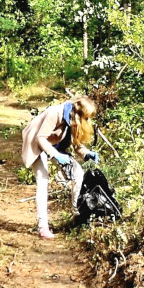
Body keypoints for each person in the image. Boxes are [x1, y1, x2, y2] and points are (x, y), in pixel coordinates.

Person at [21, 96, 99, 239]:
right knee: (43, 180)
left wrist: (87, 154)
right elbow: (41, 138)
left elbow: (77, 144)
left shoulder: (75, 119)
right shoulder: (55, 112)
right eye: (87, 117)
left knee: (78, 175)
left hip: (54, 146)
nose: (88, 121)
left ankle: (77, 215)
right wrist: (56, 155)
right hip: (36, 143)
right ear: (79, 112)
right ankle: (43, 227)